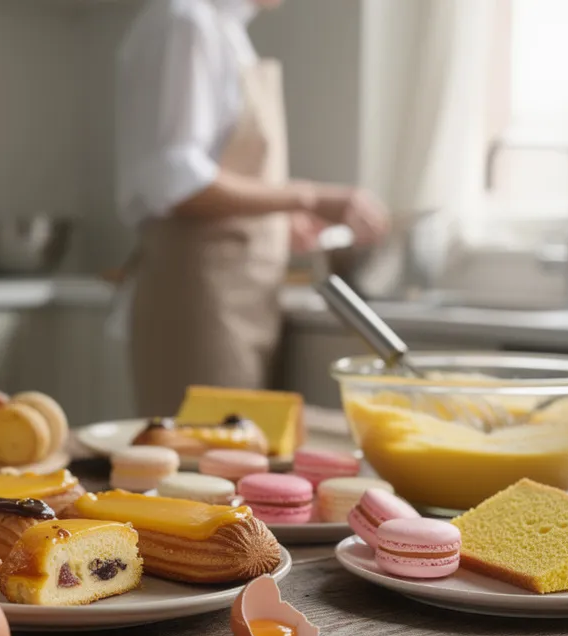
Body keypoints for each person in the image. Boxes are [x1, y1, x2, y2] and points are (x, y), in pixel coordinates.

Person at [112, 0, 390, 417]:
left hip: (243, 300)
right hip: (198, 302)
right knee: (200, 462)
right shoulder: (184, 23)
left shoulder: (227, 30)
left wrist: (280, 219)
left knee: (234, 459)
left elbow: (216, 169)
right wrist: (308, 197)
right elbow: (176, 181)